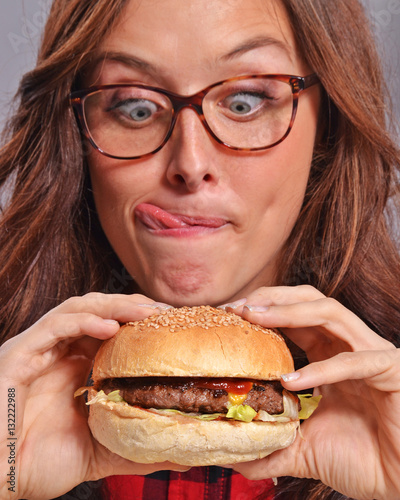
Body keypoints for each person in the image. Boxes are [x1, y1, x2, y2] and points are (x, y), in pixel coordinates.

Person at [0, 0, 399, 498]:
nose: (189, 163)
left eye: (245, 101)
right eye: (135, 106)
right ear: (74, 135)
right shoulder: (9, 393)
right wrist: (6, 474)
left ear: (331, 123)